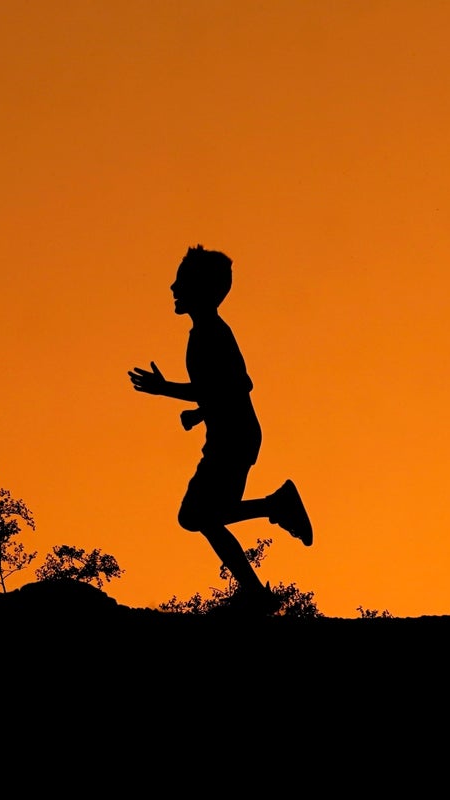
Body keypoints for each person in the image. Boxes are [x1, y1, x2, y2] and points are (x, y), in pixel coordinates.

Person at [129, 244, 311, 615]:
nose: (172, 288)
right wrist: (200, 412)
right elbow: (226, 388)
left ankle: (276, 509)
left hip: (234, 438)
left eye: (181, 281)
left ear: (202, 289)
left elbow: (237, 385)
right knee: (203, 516)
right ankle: (258, 586)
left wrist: (168, 391)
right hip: (231, 435)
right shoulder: (206, 333)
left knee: (197, 516)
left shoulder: (210, 333)